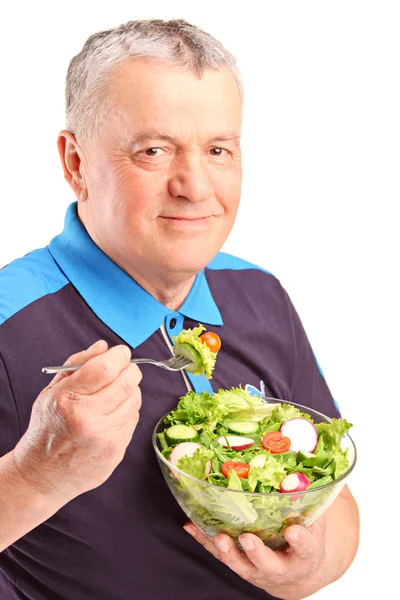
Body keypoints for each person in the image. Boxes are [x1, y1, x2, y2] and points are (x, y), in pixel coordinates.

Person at [0, 18, 359, 600]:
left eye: (218, 149)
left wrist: (309, 568)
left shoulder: (260, 293)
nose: (194, 185)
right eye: (154, 150)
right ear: (75, 163)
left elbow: (338, 509)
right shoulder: (7, 322)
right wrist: (36, 473)